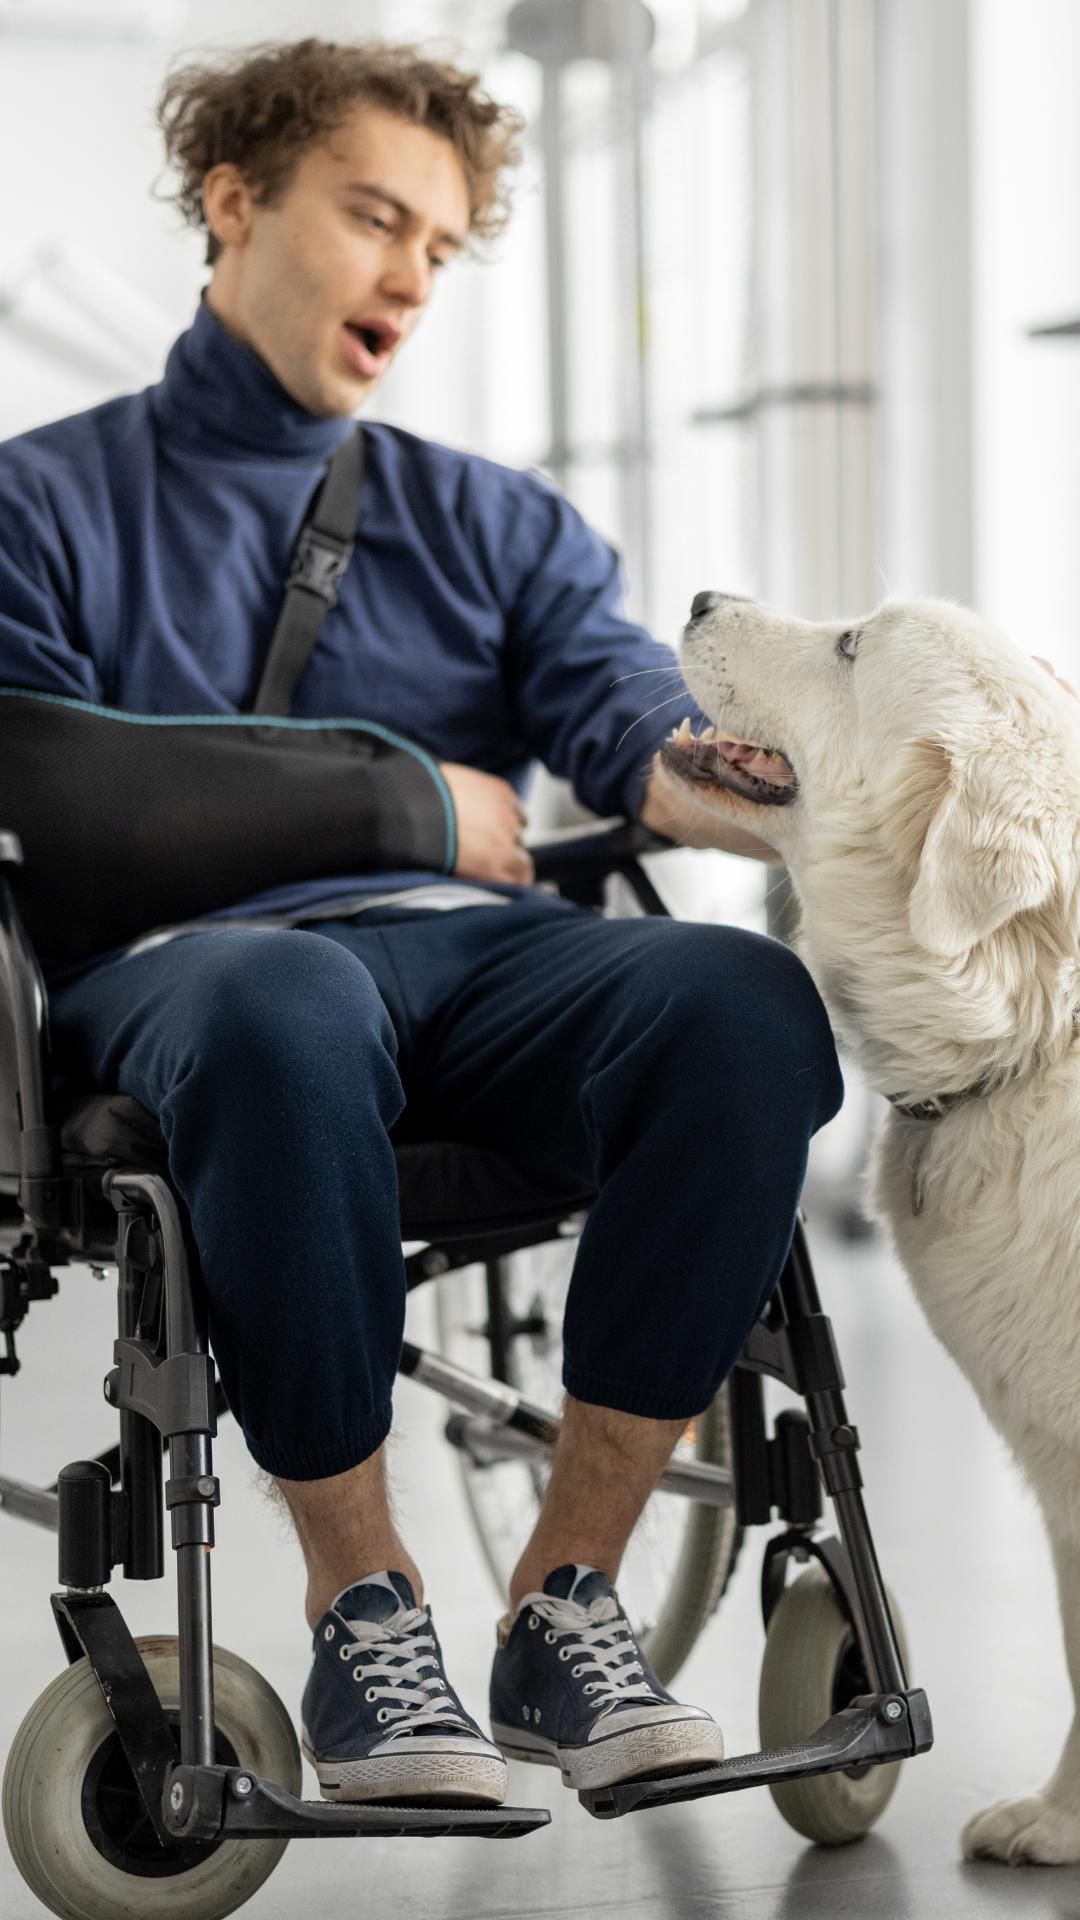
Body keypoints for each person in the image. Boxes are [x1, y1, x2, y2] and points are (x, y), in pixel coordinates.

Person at [0, 39, 843, 1807]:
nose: (409, 271)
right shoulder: (42, 502)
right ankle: (365, 1604)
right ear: (235, 204)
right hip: (192, 984)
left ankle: (569, 1599)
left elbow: (625, 722)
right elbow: (54, 790)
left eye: (441, 246)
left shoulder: (493, 522)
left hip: (477, 966)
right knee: (283, 1003)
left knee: (739, 1000)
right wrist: (400, 799)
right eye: (374, 216)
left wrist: (733, 776)